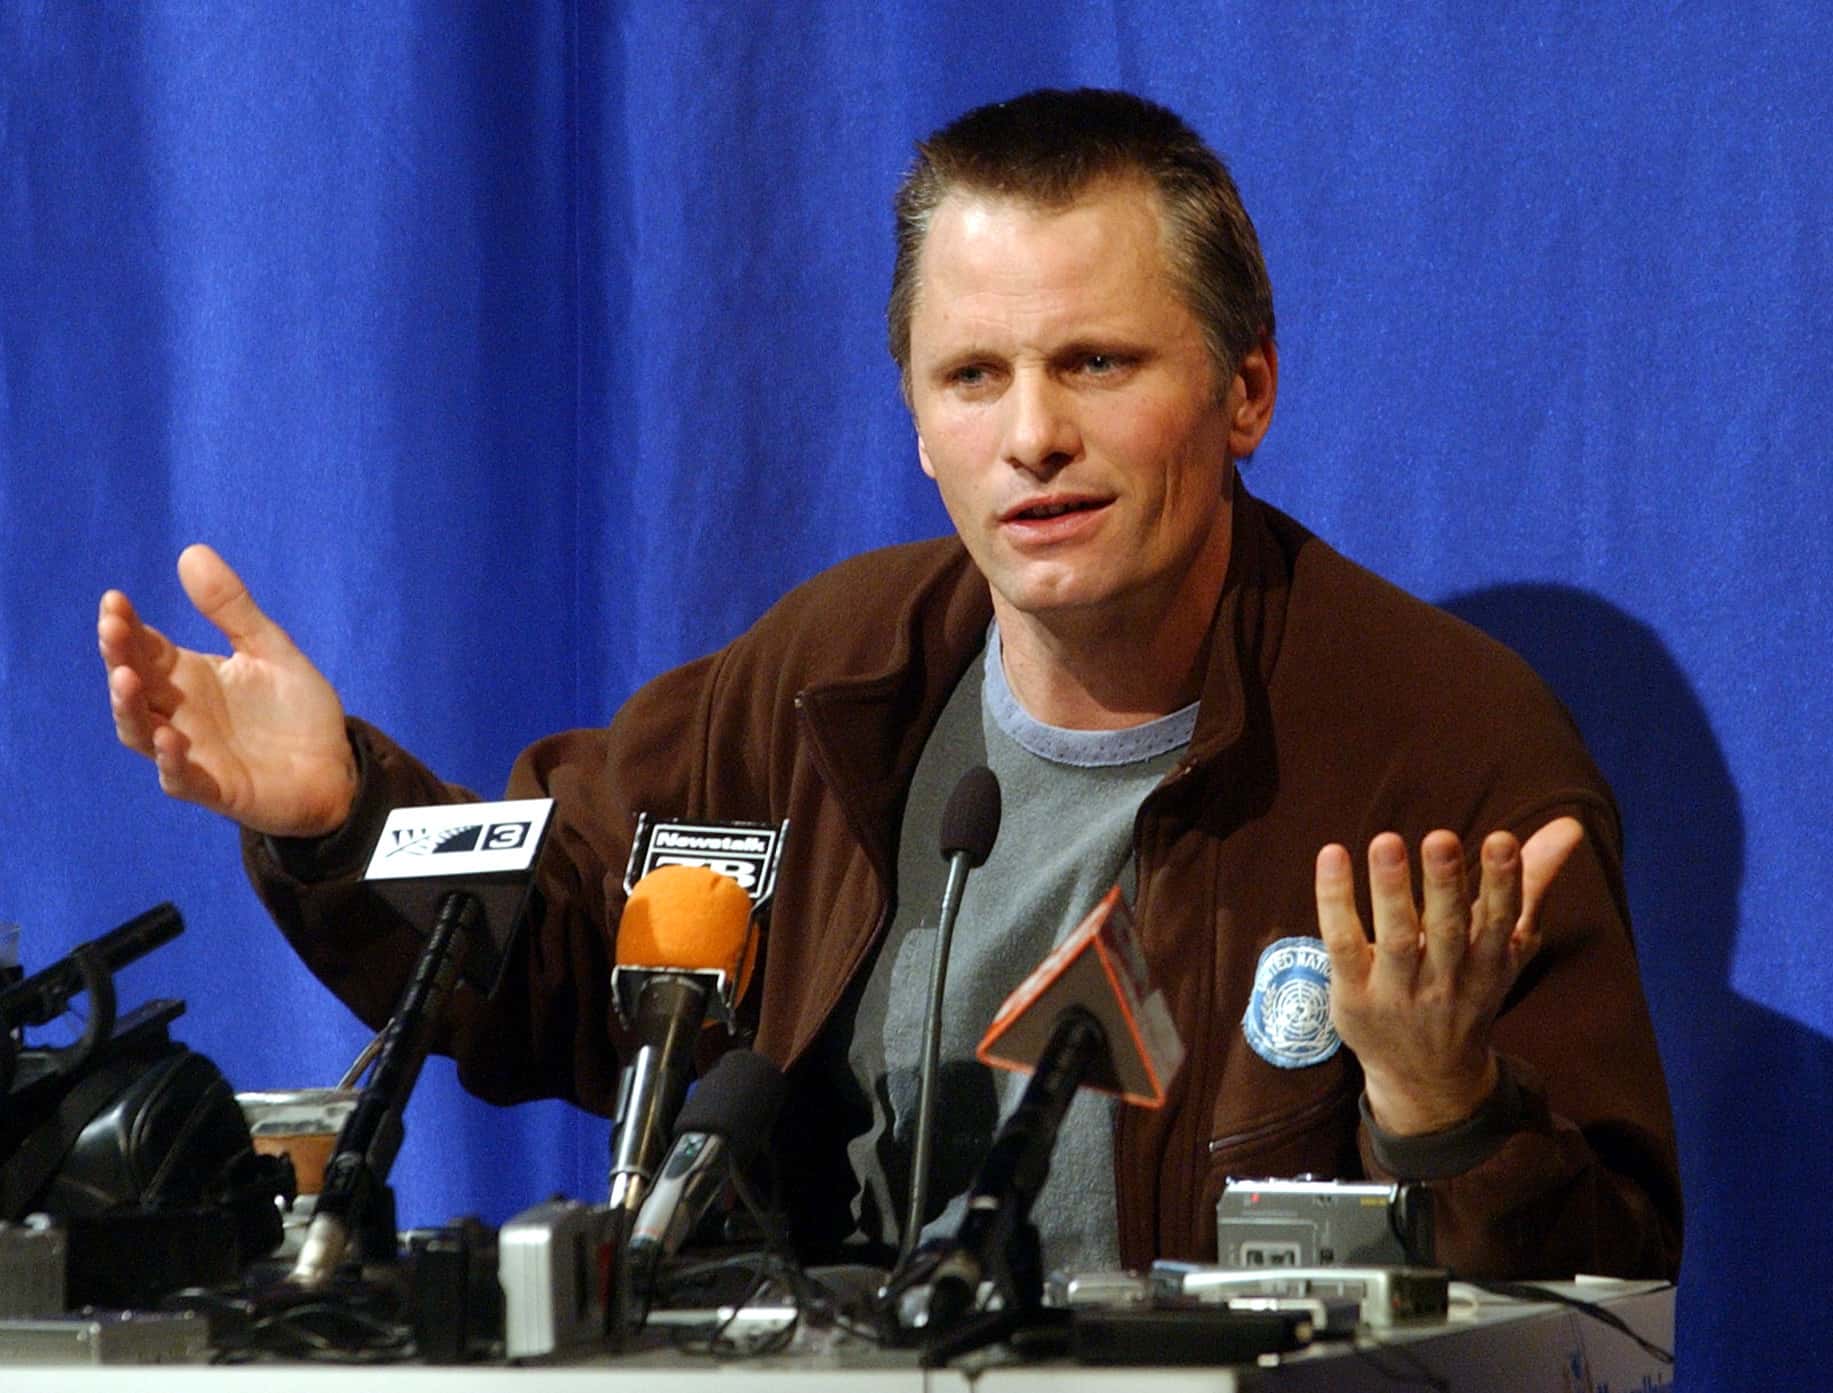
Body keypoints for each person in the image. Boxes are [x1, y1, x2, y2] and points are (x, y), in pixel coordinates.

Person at [99, 89, 1681, 1281]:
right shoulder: (824, 676)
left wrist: (1438, 1102)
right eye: (974, 375)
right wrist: (336, 815)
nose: (1031, 436)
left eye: (1096, 364)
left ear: (1244, 386)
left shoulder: (1439, 751)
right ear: (919, 420)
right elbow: (565, 954)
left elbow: (1607, 1298)